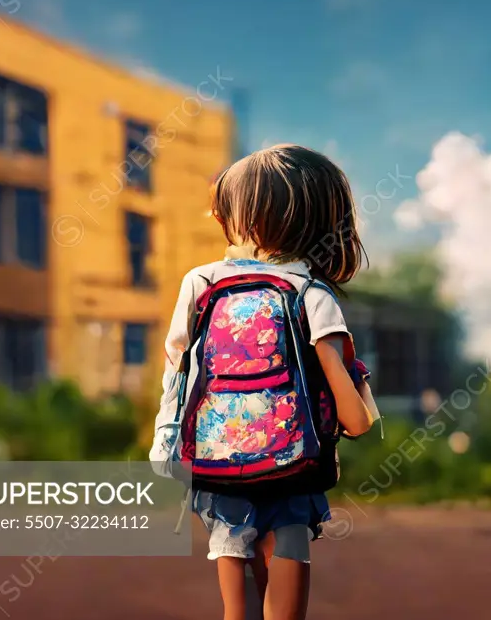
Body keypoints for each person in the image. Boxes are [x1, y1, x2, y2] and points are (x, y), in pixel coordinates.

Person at [159, 144, 378, 620]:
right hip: (294, 459)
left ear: (251, 217)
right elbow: (344, 390)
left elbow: (178, 367)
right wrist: (357, 418)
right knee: (289, 548)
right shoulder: (311, 292)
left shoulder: (201, 280)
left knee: (233, 567)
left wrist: (166, 440)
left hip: (218, 457)